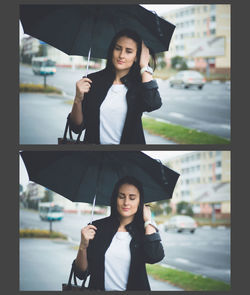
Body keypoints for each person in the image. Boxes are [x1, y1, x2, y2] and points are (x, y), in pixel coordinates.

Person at [68, 29, 162, 144]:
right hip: (93, 155)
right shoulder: (92, 81)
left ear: (137, 56)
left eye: (128, 51)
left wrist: (144, 66)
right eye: (118, 49)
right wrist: (78, 99)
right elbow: (76, 128)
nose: (121, 55)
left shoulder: (139, 85)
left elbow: (153, 104)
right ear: (112, 50)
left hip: (128, 157)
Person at [73, 176, 165, 291]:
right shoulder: (97, 228)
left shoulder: (144, 230)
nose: (126, 202)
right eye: (121, 197)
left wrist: (147, 221)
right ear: (115, 199)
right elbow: (81, 273)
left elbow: (155, 257)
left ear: (140, 202)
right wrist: (83, 246)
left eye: (132, 198)